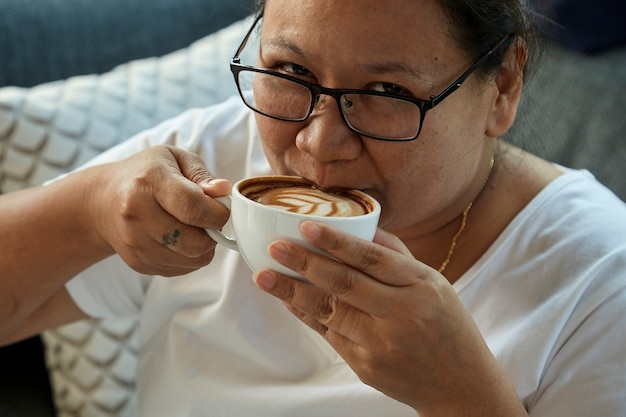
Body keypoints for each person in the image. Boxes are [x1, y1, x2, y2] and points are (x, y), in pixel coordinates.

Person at [1, 0, 625, 416]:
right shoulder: (213, 159)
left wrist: (462, 395)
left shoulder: (599, 279)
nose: (318, 143)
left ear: (504, 89)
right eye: (290, 70)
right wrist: (85, 208)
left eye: (386, 91)